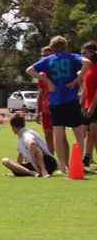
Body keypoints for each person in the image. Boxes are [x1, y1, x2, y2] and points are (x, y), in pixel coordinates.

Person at [27, 36, 90, 173]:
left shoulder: (48, 60)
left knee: (58, 134)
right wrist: (78, 79)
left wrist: (47, 80)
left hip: (54, 102)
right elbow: (86, 62)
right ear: (66, 46)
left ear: (52, 48)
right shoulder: (72, 57)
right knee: (79, 134)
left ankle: (61, 166)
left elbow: (29, 70)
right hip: (70, 99)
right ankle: (77, 164)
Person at [80, 42, 97, 166]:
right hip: (87, 105)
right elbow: (85, 88)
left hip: (95, 105)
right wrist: (81, 103)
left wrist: (92, 105)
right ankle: (87, 159)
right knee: (89, 133)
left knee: (95, 133)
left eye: (85, 53)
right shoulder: (87, 67)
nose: (83, 56)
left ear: (93, 53)